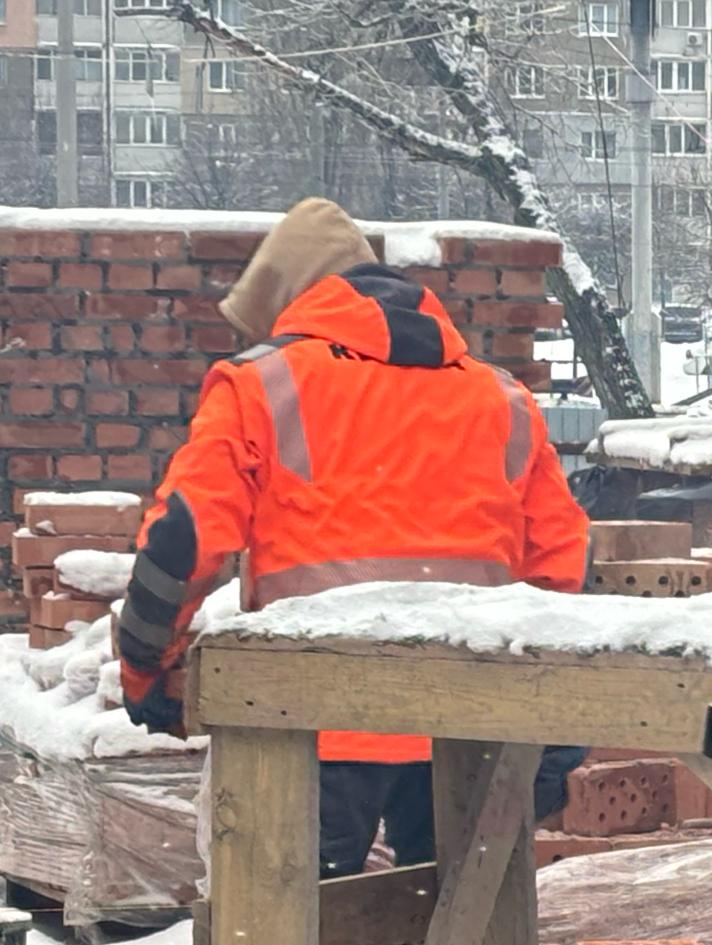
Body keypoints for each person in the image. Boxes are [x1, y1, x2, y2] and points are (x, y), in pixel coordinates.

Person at [115, 198, 590, 877]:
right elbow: (559, 564)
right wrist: (548, 709)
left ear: (291, 304)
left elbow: (183, 541)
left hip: (313, 718)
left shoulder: (262, 382)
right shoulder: (501, 395)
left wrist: (144, 669)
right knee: (462, 928)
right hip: (470, 718)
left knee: (293, 927)